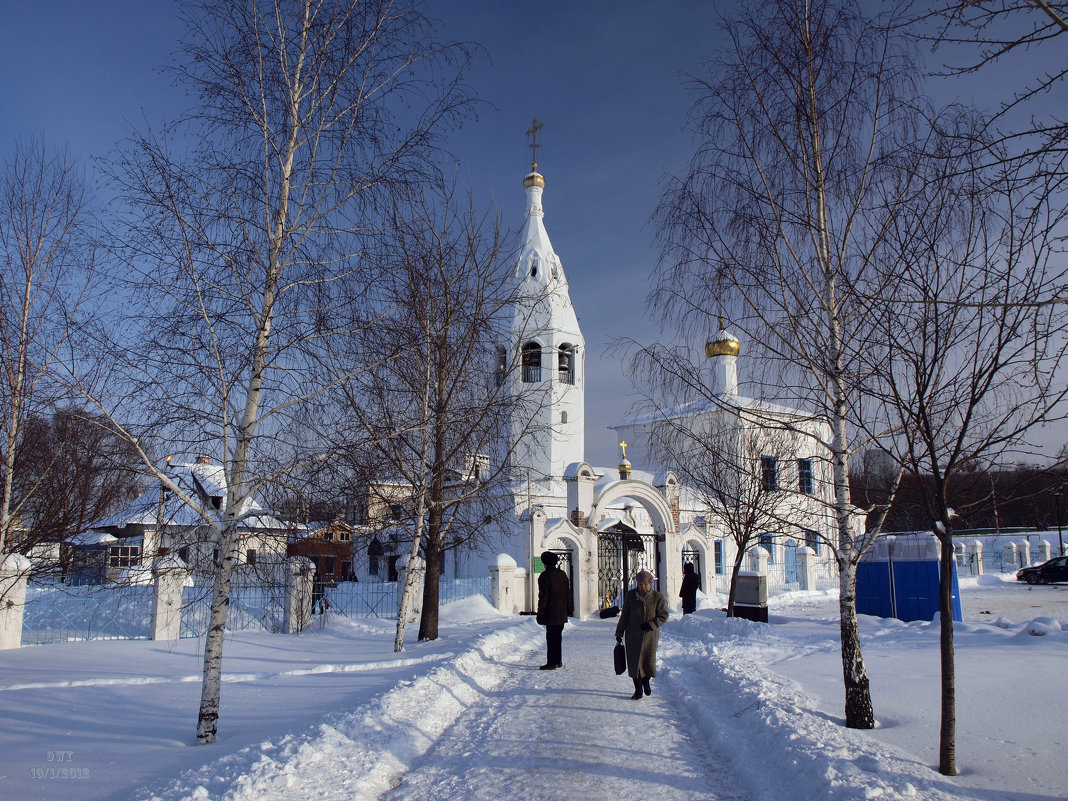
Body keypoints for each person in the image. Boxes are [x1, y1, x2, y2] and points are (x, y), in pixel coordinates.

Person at [615, 569, 669, 699]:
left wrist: (651, 624)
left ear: (650, 584)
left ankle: (646, 682)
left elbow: (663, 615)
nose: (642, 587)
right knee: (634, 663)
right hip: (632, 635)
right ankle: (637, 690)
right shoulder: (630, 596)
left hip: (650, 636)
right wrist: (619, 632)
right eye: (640, 584)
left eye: (645, 584)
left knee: (647, 662)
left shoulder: (658, 597)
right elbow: (625, 615)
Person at [536, 551, 573, 670]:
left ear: (545, 563)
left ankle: (552, 662)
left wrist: (540, 612)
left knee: (551, 638)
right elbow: (568, 593)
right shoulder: (562, 574)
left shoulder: (545, 576)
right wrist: (569, 608)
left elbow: (543, 596)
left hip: (550, 613)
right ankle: (558, 661)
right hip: (561, 612)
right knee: (558, 637)